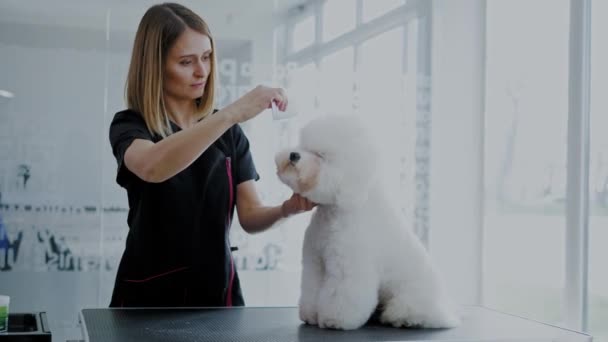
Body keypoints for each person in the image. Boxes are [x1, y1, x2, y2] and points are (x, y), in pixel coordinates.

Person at [108, 2, 315, 308]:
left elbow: (250, 215)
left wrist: (286, 209)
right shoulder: (131, 125)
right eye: (186, 61)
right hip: (147, 299)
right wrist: (233, 113)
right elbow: (152, 167)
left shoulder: (229, 133)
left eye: (206, 57)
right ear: (156, 65)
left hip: (217, 294)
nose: (202, 71)